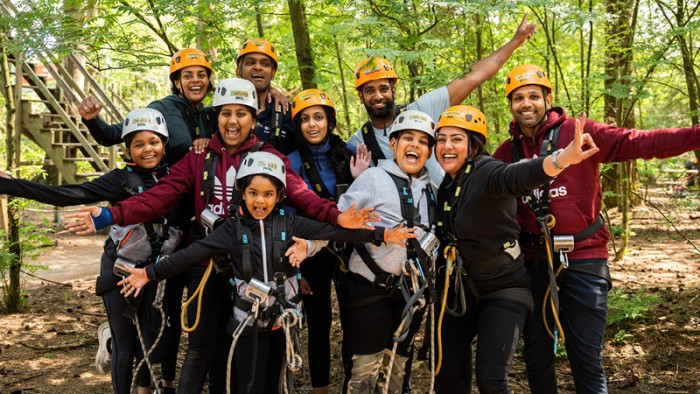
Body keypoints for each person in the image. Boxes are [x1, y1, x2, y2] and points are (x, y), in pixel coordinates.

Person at [65, 78, 378, 394]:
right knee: (202, 347)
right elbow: (159, 197)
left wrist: (339, 216)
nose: (232, 121)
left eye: (242, 114)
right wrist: (110, 215)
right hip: (209, 261)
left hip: (253, 263)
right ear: (216, 117)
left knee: (243, 344)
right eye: (226, 113)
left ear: (253, 120)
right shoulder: (199, 157)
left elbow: (301, 194)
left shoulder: (268, 156)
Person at [117, 151, 414, 394]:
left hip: (283, 321)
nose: (260, 201)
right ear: (242, 193)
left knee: (278, 381)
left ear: (279, 195)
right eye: (253, 193)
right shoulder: (231, 231)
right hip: (247, 322)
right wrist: (148, 274)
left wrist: (382, 235)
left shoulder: (290, 224)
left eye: (268, 194)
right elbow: (189, 255)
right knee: (251, 383)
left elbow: (336, 231)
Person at [492, 64, 700, 393]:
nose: (526, 103)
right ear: (511, 104)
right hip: (532, 262)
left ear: (548, 98)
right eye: (518, 98)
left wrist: (696, 136)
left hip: (584, 256)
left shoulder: (578, 131)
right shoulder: (504, 154)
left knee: (585, 357)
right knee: (536, 355)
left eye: (534, 95)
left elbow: (640, 142)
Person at [0, 108, 181, 394]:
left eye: (154, 142)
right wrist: (11, 185)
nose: (148, 149)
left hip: (157, 270)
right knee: (124, 348)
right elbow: (66, 193)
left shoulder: (177, 176)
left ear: (164, 144)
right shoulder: (120, 180)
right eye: (138, 144)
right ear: (128, 149)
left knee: (152, 341)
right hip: (120, 268)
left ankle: (127, 364)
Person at [432, 105, 597, 393]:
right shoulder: (447, 184)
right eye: (441, 139)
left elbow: (519, 175)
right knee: (445, 373)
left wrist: (561, 159)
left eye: (456, 139)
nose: (447, 146)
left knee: (491, 378)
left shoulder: (488, 172)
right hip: (460, 288)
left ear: (473, 144)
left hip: (503, 289)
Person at [348, 14, 536, 186]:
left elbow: (473, 77)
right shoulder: (359, 142)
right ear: (361, 96)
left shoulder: (422, 110)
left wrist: (515, 41)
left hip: (446, 209)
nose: (378, 96)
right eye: (370, 90)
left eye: (383, 88)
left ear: (394, 91)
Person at [337, 110, 440, 393]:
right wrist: (307, 246)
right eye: (408, 138)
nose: (415, 146)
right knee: (364, 369)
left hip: (411, 292)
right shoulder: (373, 179)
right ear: (393, 144)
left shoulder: (430, 189)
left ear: (429, 151)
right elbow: (339, 219)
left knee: (397, 367)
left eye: (423, 142)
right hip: (372, 288)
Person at [287, 89, 371, 394]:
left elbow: (366, 203)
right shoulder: (291, 163)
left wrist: (361, 176)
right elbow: (286, 214)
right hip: (311, 252)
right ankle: (320, 388)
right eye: (305, 119)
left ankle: (352, 384)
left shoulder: (347, 155)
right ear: (297, 125)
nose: (312, 125)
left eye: (319, 118)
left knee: (353, 322)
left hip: (349, 250)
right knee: (319, 325)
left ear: (329, 121)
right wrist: (297, 270)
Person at [78, 48, 216, 165]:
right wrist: (92, 119)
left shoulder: (209, 115)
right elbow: (110, 136)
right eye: (187, 76)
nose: (196, 79)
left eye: (201, 75)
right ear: (177, 83)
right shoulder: (161, 110)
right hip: (168, 189)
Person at [236, 38, 296, 154]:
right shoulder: (222, 111)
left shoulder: (287, 114)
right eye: (250, 62)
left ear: (273, 73)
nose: (258, 67)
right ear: (238, 71)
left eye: (265, 64)